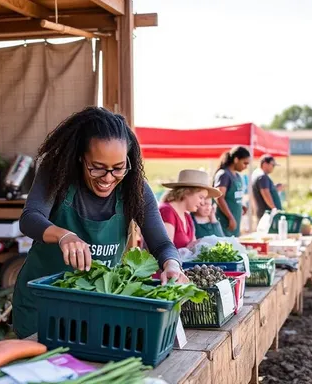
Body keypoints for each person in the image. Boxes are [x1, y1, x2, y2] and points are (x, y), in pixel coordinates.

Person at [13, 107, 188, 339]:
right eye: (96, 167)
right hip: (43, 307)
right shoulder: (57, 174)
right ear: (79, 157)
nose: (107, 178)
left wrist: (172, 265)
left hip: (97, 308)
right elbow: (30, 219)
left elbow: (161, 244)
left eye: (118, 168)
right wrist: (64, 236)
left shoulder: (135, 188)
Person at [159, 170, 222, 248]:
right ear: (187, 192)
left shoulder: (187, 217)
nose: (202, 203)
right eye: (201, 197)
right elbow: (166, 250)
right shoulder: (167, 211)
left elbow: (192, 246)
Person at [213, 146, 251, 237]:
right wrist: (230, 217)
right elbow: (219, 197)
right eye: (244, 163)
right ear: (236, 159)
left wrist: (240, 206)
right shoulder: (224, 175)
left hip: (235, 222)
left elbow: (232, 197)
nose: (246, 167)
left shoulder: (237, 176)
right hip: (225, 223)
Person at [251, 154, 281, 219]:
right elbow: (265, 193)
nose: (273, 167)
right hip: (267, 214)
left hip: (264, 213)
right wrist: (274, 208)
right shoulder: (262, 176)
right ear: (264, 164)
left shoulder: (258, 174)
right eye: (272, 165)